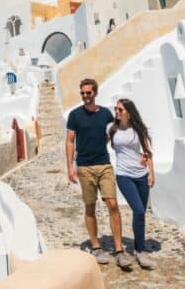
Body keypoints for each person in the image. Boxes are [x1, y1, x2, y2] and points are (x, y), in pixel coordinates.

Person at [66, 78, 130, 269]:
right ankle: (96, 246)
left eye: (89, 93)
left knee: (112, 204)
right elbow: (70, 141)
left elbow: (114, 134)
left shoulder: (106, 114)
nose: (85, 96)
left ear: (95, 93)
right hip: (85, 167)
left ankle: (119, 250)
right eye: (83, 93)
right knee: (90, 206)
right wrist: (70, 166)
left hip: (104, 164)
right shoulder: (75, 115)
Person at [108, 98, 156, 269]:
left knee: (141, 215)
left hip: (141, 175)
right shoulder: (112, 129)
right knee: (138, 209)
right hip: (124, 175)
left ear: (129, 112)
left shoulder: (138, 130)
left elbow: (147, 152)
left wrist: (151, 173)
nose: (117, 112)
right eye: (116, 109)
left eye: (120, 110)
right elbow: (100, 144)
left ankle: (138, 249)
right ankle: (141, 251)